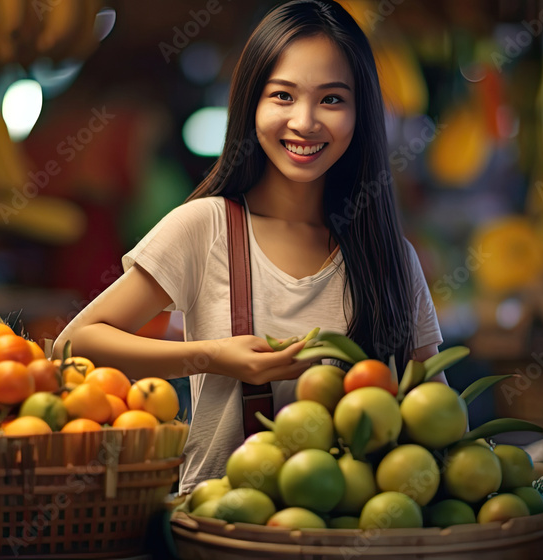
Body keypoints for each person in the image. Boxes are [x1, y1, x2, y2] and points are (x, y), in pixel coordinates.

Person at [54, 0, 446, 495]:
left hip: (357, 529)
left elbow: (435, 412)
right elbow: (72, 344)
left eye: (332, 100)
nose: (304, 122)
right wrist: (214, 357)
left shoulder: (390, 255)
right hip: (222, 529)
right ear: (250, 104)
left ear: (361, 112)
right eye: (282, 96)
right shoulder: (205, 227)